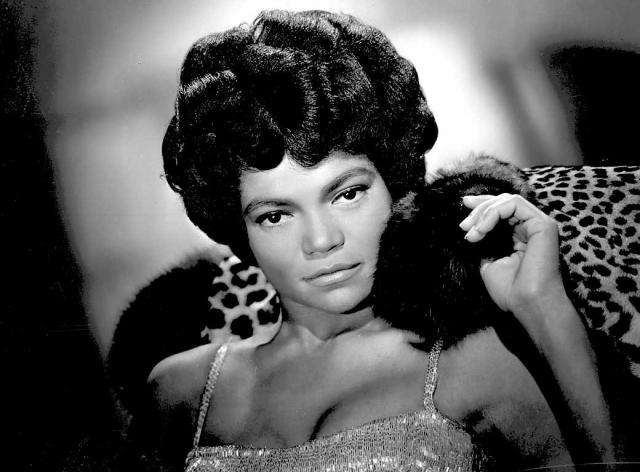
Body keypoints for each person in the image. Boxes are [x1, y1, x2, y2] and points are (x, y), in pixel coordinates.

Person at [137, 10, 617, 471]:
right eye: (275, 215)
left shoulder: (476, 361)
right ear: (238, 227)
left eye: (347, 194)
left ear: (394, 185)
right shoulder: (181, 392)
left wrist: (545, 307)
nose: (322, 240)